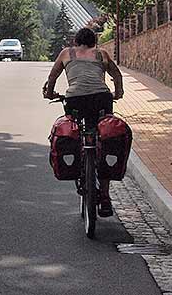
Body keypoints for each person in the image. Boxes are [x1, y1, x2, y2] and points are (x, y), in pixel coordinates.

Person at [42, 26, 125, 217]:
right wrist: (118, 94)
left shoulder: (66, 53)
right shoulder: (101, 54)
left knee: (75, 131)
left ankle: (79, 167)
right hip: (101, 99)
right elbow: (117, 75)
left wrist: (49, 94)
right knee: (103, 141)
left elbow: (52, 77)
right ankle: (104, 197)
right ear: (94, 42)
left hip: (75, 100)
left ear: (76, 42)